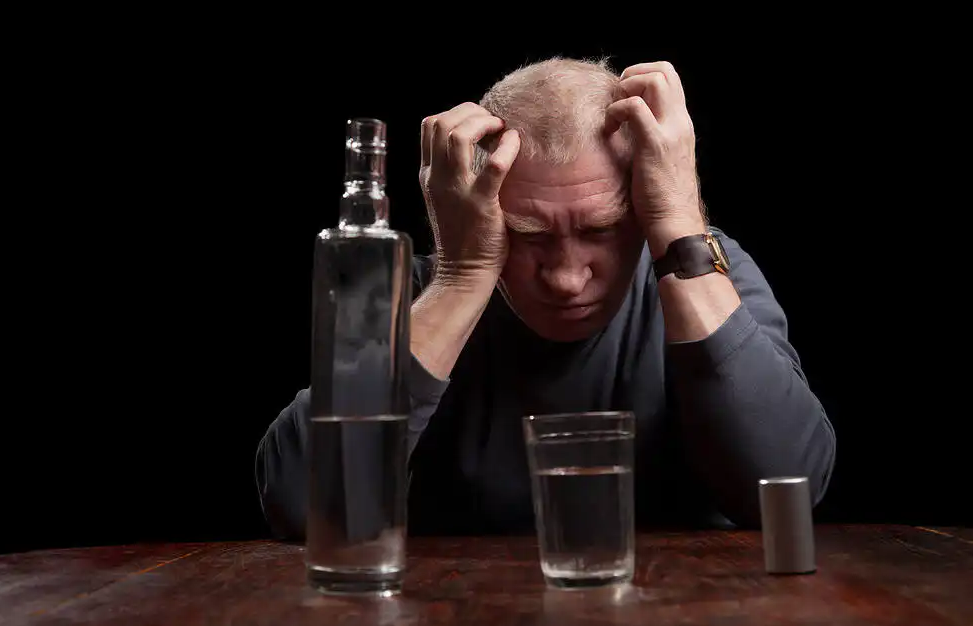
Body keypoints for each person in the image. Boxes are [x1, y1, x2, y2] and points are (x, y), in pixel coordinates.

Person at [255, 57, 836, 540]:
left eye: (601, 229)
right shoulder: (418, 293)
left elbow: (789, 488)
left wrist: (681, 224)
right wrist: (462, 276)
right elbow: (299, 503)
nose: (564, 277)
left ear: (642, 204)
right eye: (526, 235)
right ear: (476, 211)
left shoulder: (706, 271)